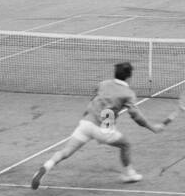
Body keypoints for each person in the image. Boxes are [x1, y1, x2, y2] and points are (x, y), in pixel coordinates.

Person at [30, 61, 166, 188]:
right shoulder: (128, 93)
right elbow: (136, 116)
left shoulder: (103, 84)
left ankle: (46, 166)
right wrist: (153, 127)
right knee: (125, 145)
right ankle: (129, 174)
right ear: (129, 77)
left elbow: (95, 98)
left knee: (65, 152)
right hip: (103, 127)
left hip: (86, 122)